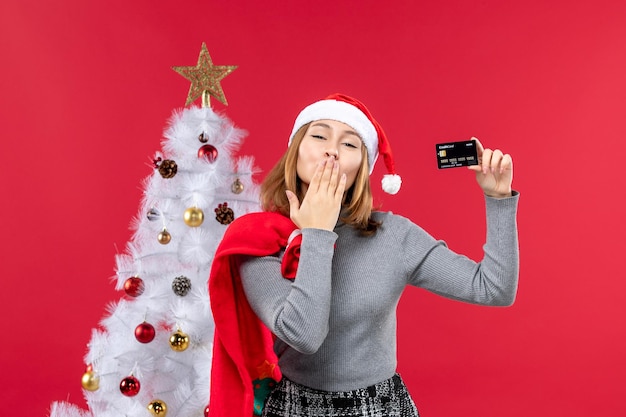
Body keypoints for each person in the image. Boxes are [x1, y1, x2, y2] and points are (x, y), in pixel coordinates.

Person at [207, 93, 519, 417]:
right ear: (295, 151)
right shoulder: (258, 239)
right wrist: (317, 234)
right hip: (296, 408)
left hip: (381, 408)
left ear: (362, 168)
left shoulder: (393, 235)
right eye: (318, 135)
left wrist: (499, 199)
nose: (331, 148)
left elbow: (493, 288)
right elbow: (304, 335)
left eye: (349, 144)